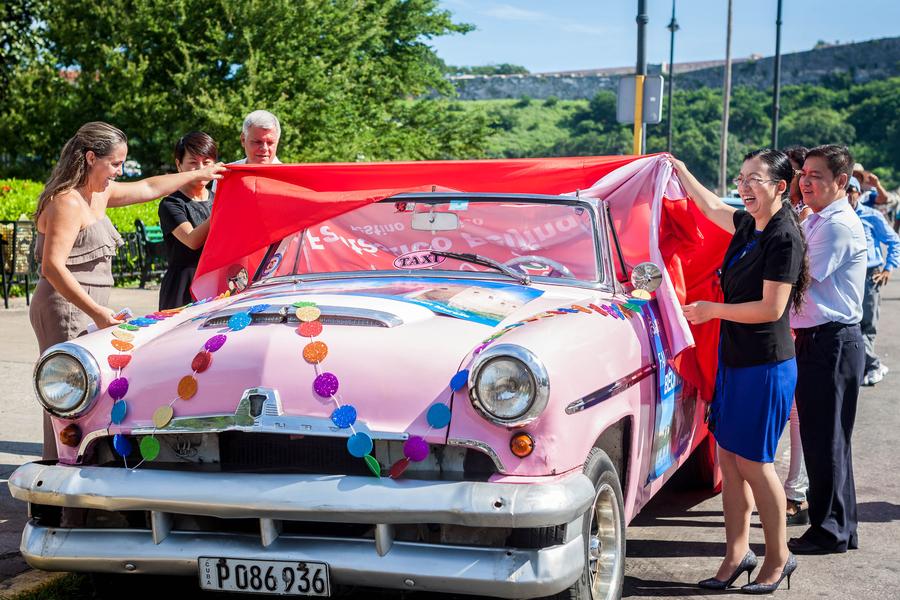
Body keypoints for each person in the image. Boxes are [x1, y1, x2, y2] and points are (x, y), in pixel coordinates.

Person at [29, 122, 224, 459]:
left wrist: (198, 174)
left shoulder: (100, 193)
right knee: (66, 389)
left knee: (82, 388)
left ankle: (75, 462)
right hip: (63, 305)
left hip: (87, 303)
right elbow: (53, 267)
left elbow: (150, 186)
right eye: (115, 164)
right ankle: (55, 472)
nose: (119, 172)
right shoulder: (67, 202)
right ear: (91, 157)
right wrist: (97, 313)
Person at [671, 149, 806, 593]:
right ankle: (736, 552)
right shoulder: (751, 223)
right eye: (742, 177)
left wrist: (713, 310)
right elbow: (712, 207)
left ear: (780, 187)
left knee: (755, 463)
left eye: (755, 179)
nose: (745, 186)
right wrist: (681, 170)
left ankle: (779, 557)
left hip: (765, 365)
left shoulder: (784, 236)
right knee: (729, 461)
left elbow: (772, 308)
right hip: (735, 359)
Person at [789, 144, 867, 556]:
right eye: (804, 174)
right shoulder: (818, 218)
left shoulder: (837, 225)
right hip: (824, 341)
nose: (805, 181)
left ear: (841, 181)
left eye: (815, 176)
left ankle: (829, 530)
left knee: (826, 442)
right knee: (829, 440)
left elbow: (798, 278)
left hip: (830, 342)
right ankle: (841, 526)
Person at [781, 145, 811, 526]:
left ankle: (796, 492)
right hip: (779, 323)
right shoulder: (781, 213)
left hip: (799, 324)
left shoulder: (811, 217)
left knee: (797, 414)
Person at [846, 176, 900, 385]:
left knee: (866, 325)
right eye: (845, 189)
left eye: (853, 190)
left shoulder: (871, 215)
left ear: (859, 193)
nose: (849, 194)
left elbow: (893, 240)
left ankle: (873, 364)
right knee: (850, 324)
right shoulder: (836, 215)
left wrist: (888, 268)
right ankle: (864, 366)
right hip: (847, 275)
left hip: (870, 274)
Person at [158, 132, 219, 310]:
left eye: (207, 162)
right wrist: (221, 210)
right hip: (182, 288)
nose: (201, 169)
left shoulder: (218, 199)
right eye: (193, 163)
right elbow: (192, 240)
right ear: (179, 165)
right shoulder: (171, 204)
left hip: (216, 285)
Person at [783, 146, 813, 221]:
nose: (784, 179)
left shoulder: (806, 213)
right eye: (781, 172)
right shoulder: (781, 205)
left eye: (790, 173)